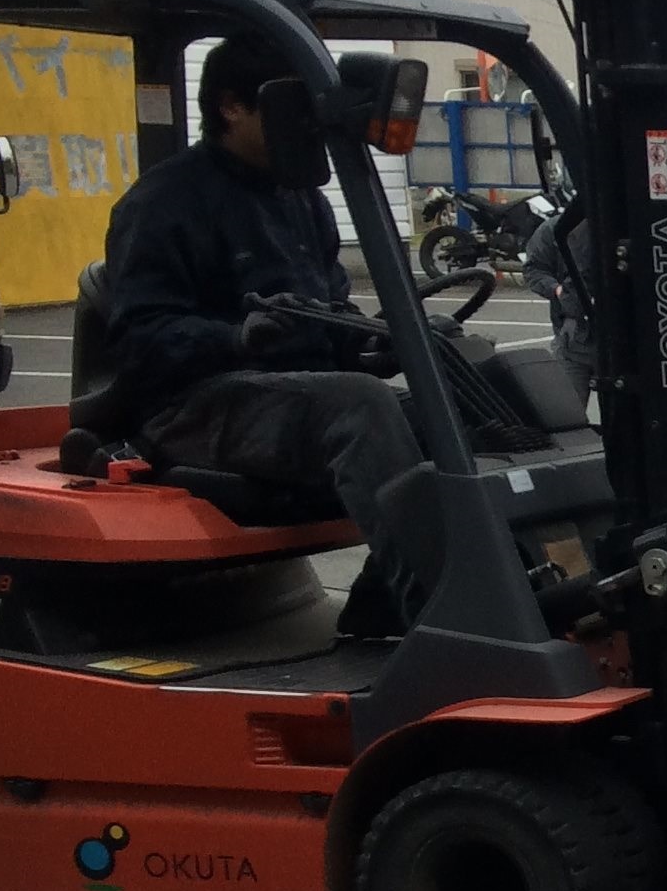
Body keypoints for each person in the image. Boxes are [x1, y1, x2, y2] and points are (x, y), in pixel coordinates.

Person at [98, 33, 434, 637]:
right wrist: (236, 338)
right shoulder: (164, 203)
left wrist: (369, 342)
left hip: (290, 397)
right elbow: (140, 340)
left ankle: (391, 598)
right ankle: (441, 613)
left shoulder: (301, 197)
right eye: (291, 108)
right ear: (232, 106)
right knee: (359, 406)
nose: (305, 127)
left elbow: (330, 311)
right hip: (194, 403)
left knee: (462, 398)